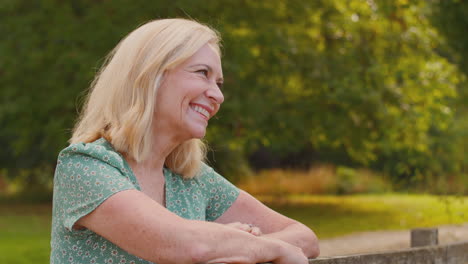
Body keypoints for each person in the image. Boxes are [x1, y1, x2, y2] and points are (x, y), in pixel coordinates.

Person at [50, 18, 319, 264]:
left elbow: (304, 237)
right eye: (202, 72)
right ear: (150, 75)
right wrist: (265, 249)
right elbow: (182, 245)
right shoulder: (85, 166)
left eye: (219, 82)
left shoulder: (191, 178)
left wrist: (230, 246)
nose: (218, 95)